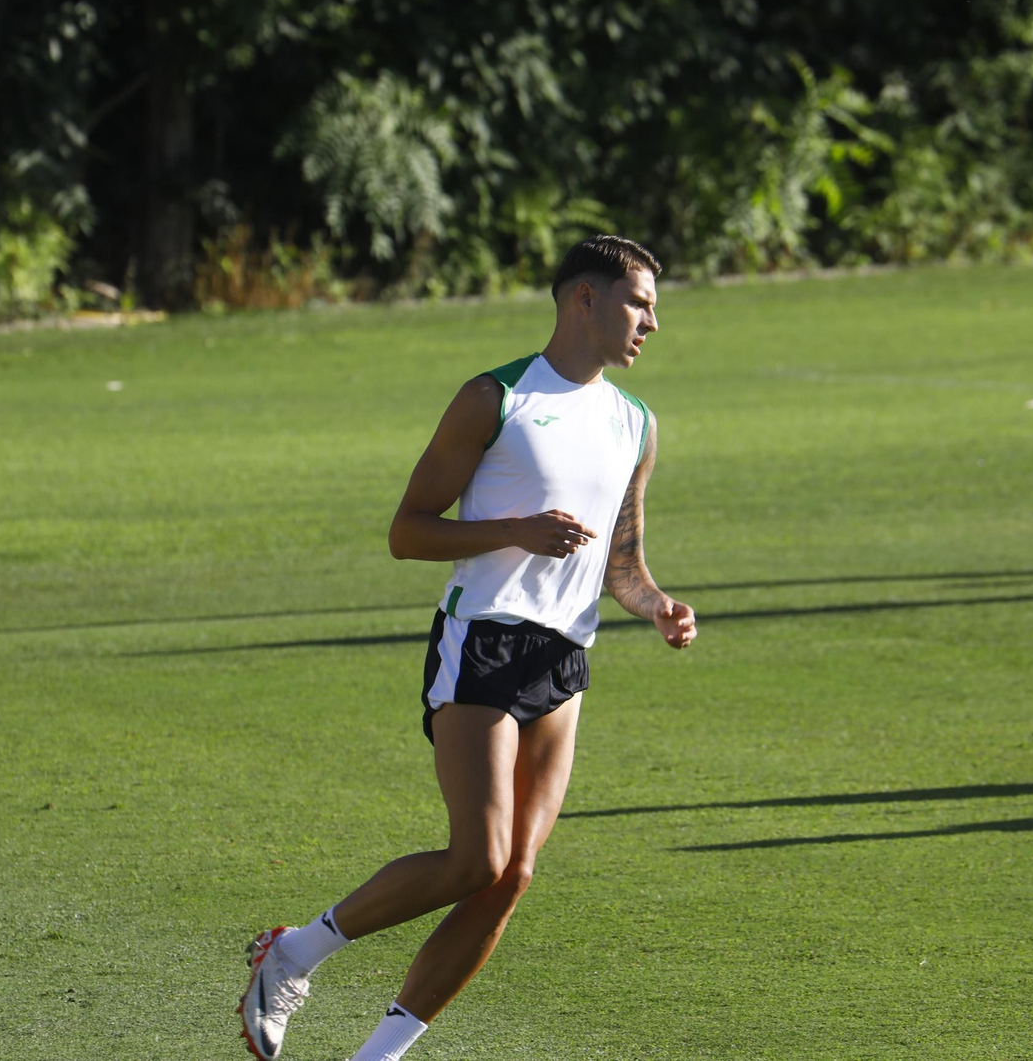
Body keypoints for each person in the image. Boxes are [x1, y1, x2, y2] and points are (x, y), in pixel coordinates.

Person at [237, 234, 698, 1061]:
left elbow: (621, 562)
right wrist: (517, 531)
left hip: (564, 660)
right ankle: (294, 955)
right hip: (481, 641)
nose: (652, 324)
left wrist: (657, 603)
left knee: (513, 874)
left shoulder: (637, 424)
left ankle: (374, 1059)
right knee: (474, 859)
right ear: (582, 300)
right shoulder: (496, 399)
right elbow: (407, 533)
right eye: (639, 303)